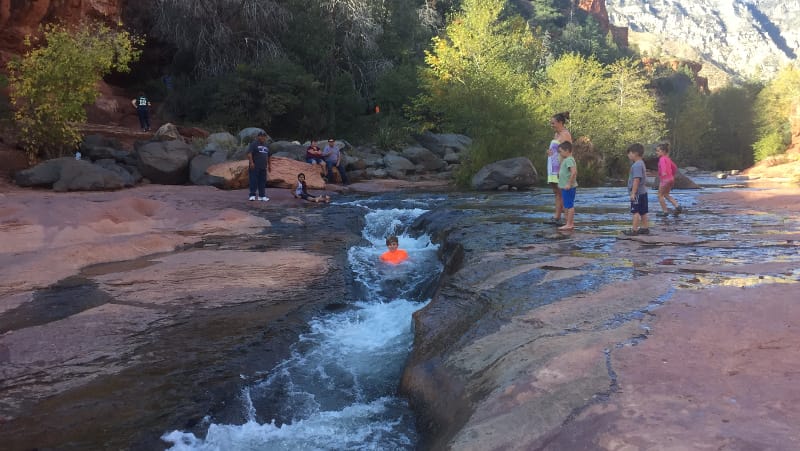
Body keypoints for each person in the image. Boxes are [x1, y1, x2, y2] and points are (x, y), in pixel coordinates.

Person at [545, 112, 572, 225]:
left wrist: (564, 169)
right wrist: (549, 152)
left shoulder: (565, 134)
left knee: (562, 193)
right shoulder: (556, 135)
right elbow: (556, 149)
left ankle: (566, 220)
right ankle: (556, 217)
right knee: (556, 192)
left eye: (553, 123)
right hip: (552, 166)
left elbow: (569, 152)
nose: (552, 125)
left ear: (560, 122)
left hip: (560, 167)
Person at [623, 143, 650, 235]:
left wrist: (633, 193)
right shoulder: (641, 163)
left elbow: (636, 180)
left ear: (635, 153)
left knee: (636, 211)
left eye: (629, 153)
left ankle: (634, 230)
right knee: (643, 211)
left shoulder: (636, 165)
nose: (628, 155)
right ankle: (645, 228)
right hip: (643, 191)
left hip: (637, 192)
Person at [655, 142, 683, 216]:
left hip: (665, 180)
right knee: (666, 194)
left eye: (658, 151)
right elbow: (675, 167)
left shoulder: (662, 159)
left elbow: (663, 166)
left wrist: (664, 172)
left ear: (663, 152)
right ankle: (677, 206)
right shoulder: (668, 159)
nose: (656, 152)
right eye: (656, 151)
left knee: (660, 195)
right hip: (671, 179)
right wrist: (672, 175)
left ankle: (665, 211)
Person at [556, 141, 578, 231]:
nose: (559, 153)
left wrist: (569, 183)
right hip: (565, 187)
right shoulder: (566, 159)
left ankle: (569, 224)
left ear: (567, 150)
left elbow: (574, 172)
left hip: (569, 187)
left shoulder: (569, 159)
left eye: (560, 151)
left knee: (569, 205)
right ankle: (568, 223)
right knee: (567, 205)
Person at [247, 131, 271, 202]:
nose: (263, 137)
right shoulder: (254, 144)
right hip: (255, 166)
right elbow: (249, 153)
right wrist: (251, 163)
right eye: (261, 136)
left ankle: (262, 196)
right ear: (258, 137)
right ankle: (252, 195)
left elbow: (269, 156)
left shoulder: (267, 145)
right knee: (253, 180)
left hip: (263, 166)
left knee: (262, 181)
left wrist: (269, 165)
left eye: (264, 136)